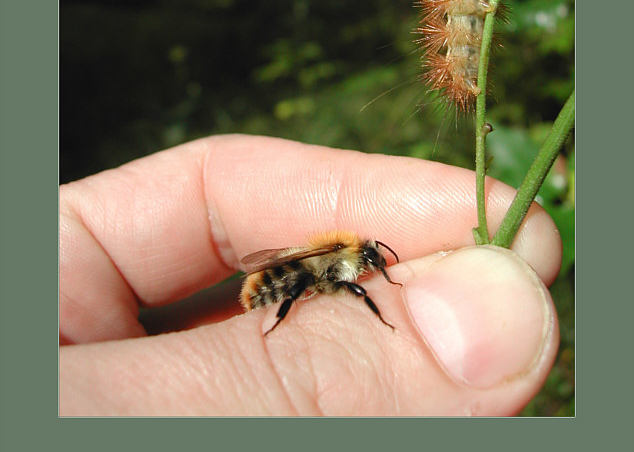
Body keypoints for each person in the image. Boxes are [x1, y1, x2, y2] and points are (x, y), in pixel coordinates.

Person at [59, 134, 562, 416]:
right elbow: (305, 273)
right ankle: (276, 324)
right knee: (299, 285)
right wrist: (284, 353)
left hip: (277, 276)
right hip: (272, 284)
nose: (371, 265)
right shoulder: (335, 261)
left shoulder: (346, 259)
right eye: (369, 258)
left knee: (310, 284)